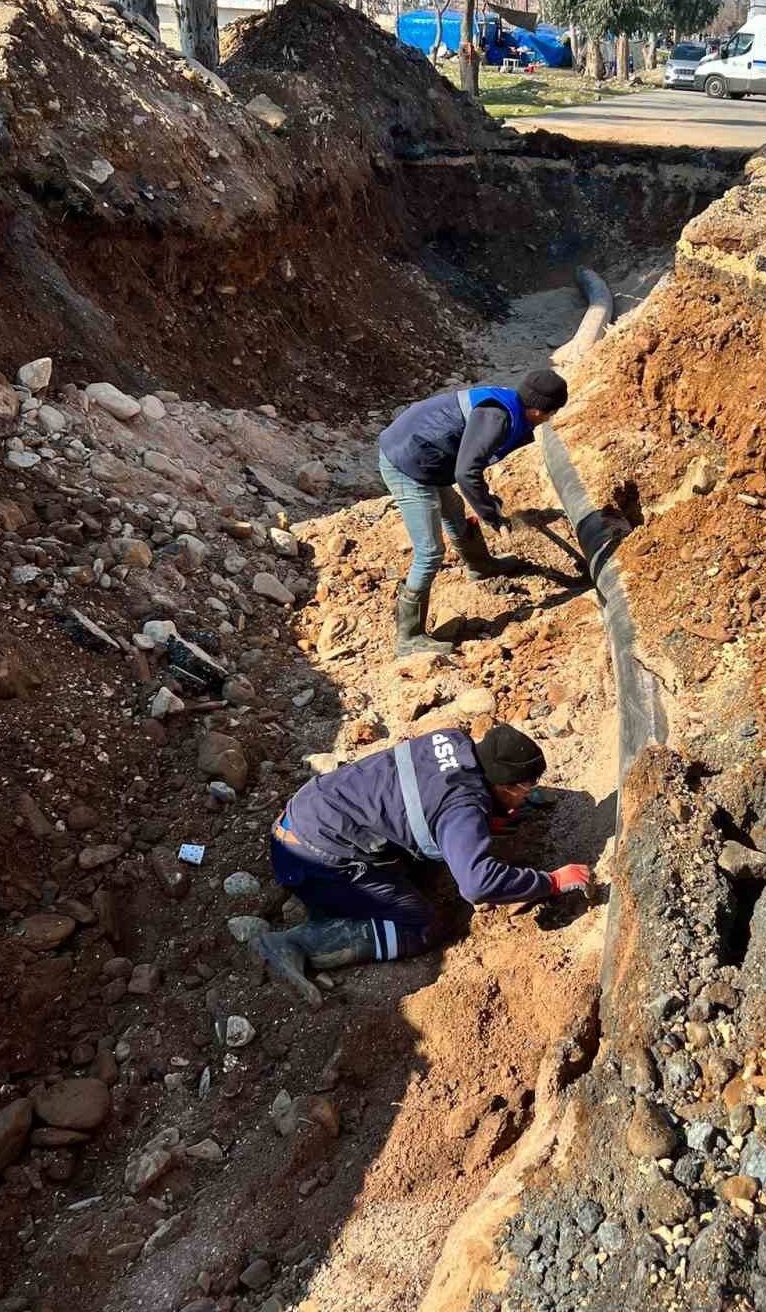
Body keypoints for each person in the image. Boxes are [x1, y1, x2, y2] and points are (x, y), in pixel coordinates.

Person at [252, 723, 591, 1006]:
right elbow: (477, 884)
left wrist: (486, 817)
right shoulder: (462, 807)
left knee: (423, 865)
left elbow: (425, 796)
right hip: (314, 861)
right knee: (421, 926)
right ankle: (297, 943)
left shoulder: (451, 742)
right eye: (524, 790)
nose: (525, 798)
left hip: (310, 814)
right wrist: (552, 882)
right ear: (504, 785)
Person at [378, 370, 569, 655]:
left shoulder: (508, 404)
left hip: (426, 453)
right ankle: (409, 636)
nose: (548, 420)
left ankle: (481, 566)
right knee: (429, 552)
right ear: (540, 410)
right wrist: (491, 515)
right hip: (406, 461)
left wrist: (487, 500)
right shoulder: (497, 418)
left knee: (453, 510)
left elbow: (469, 465)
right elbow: (466, 472)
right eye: (550, 414)